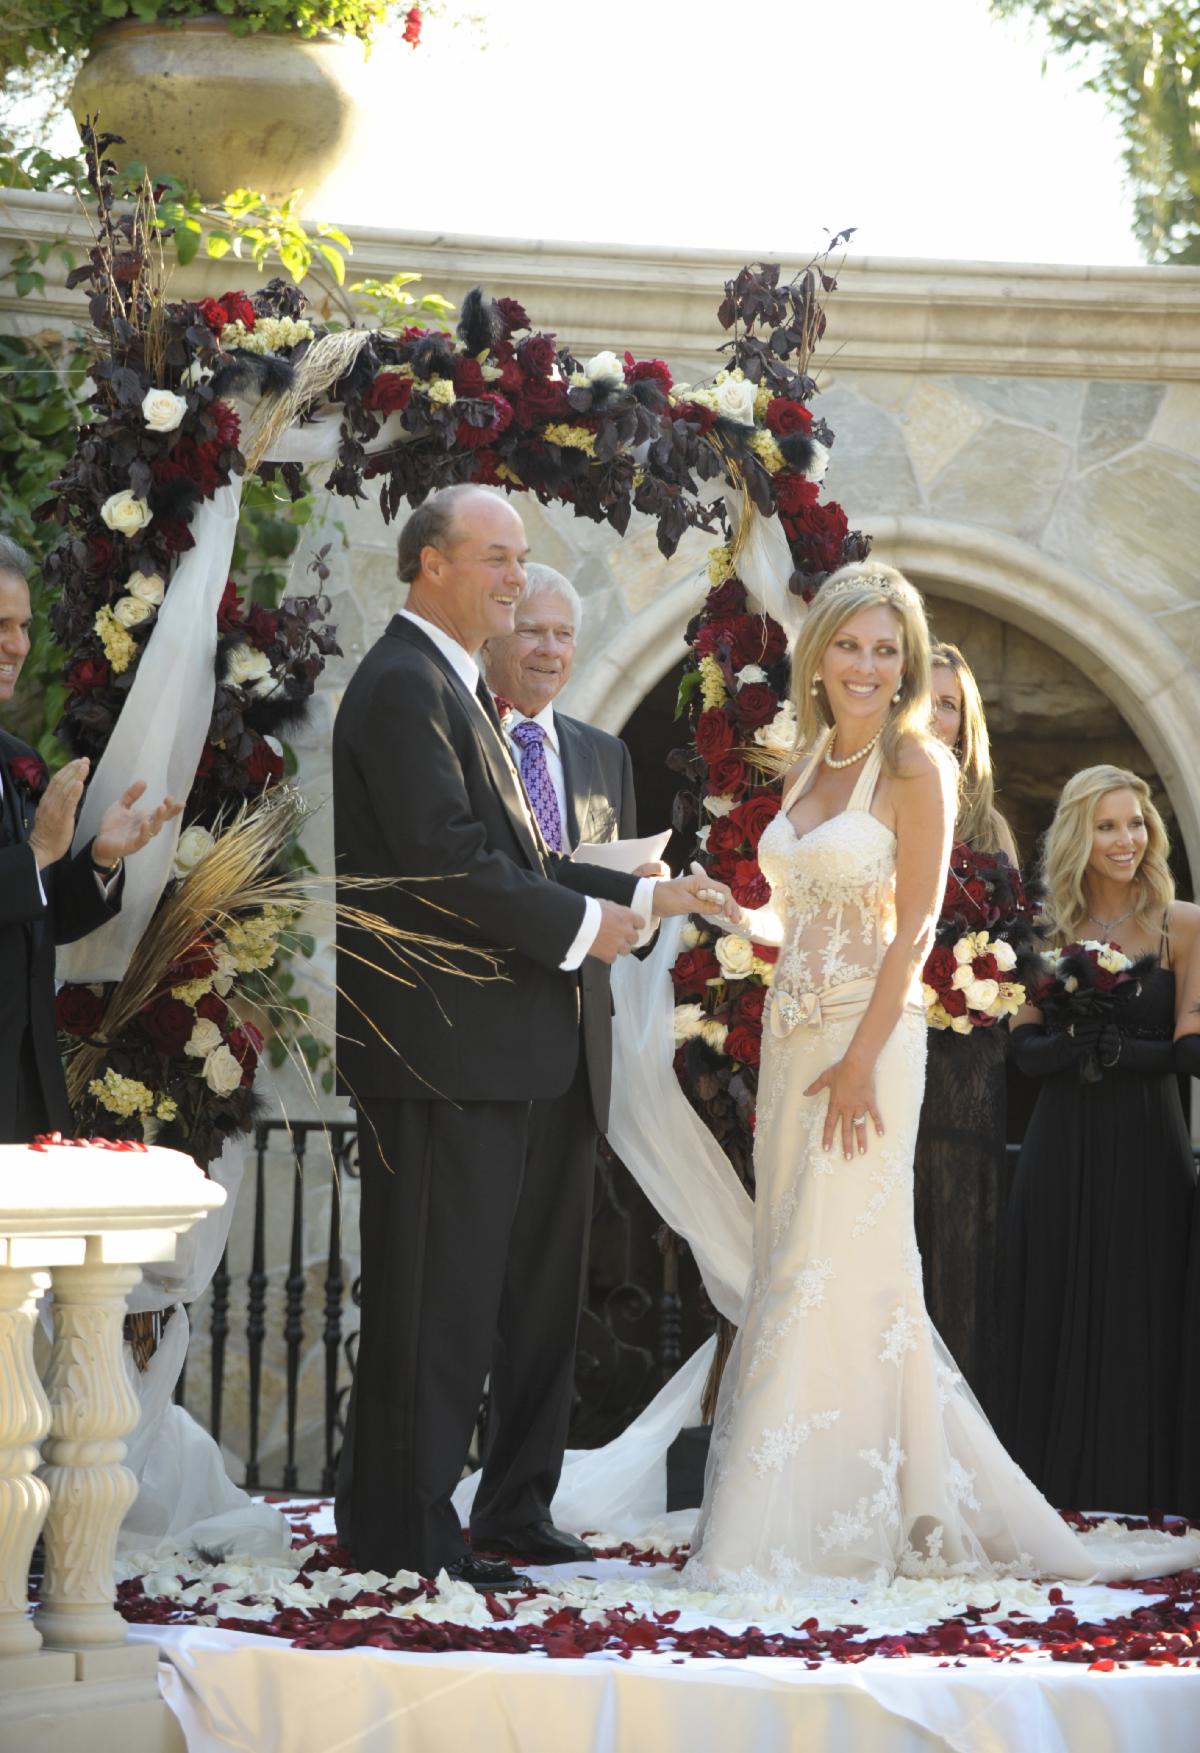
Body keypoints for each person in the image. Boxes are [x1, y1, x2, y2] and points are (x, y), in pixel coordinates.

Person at [682, 566, 1200, 1592]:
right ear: (818, 655)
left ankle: (809, 1521)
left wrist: (861, 1059)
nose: (868, 665)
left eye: (887, 650)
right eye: (851, 645)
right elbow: (803, 912)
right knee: (795, 1255)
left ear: (906, 665)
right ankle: (826, 1495)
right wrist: (732, 914)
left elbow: (913, 927)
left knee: (834, 1258)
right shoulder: (809, 757)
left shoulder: (915, 763)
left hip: (867, 1042)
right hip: (791, 1041)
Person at [332, 485, 737, 1591]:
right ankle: (409, 1536)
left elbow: (517, 858)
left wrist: (643, 900)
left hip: (479, 1052)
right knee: (437, 1306)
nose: (517, 579)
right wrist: (582, 926)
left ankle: (409, 1525)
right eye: (500, 559)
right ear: (432, 564)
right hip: (443, 1051)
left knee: (454, 1302)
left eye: (522, 561)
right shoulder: (405, 685)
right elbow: (448, 862)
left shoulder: (448, 686)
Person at [472, 561, 647, 1564]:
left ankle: (518, 1509)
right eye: (531, 630)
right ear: (498, 636)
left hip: (576, 1053)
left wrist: (652, 898)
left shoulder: (603, 754)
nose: (547, 649)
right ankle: (430, 1495)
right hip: (480, 1052)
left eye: (563, 635)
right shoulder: (463, 737)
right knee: (464, 1293)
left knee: (547, 1298)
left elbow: (612, 894)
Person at [998, 766, 1200, 1515]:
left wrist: (1124, 1049)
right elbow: (1022, 1050)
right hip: (1061, 1142)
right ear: (1079, 835)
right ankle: (1051, 1493)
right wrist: (1072, 1043)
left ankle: (1143, 1489)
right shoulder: (1041, 929)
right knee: (1054, 1291)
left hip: (1151, 1141)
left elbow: (1189, 1049)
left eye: (1136, 824)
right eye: (1108, 825)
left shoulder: (1184, 924)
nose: (1126, 840)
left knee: (1146, 1305)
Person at [0, 537, 182, 1142]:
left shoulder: (15, 758)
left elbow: (35, 918)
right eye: (0, 626)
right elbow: (25, 871)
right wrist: (36, 854)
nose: (18, 646)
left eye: (24, 627)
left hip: (26, 1090)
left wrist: (99, 861)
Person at [913, 641, 1021, 1412]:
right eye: (923, 699)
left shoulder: (991, 828)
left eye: (948, 704)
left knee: (958, 1244)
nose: (935, 715)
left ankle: (957, 1426)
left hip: (963, 1068)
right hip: (882, 1042)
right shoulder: (871, 797)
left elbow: (1015, 957)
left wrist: (972, 986)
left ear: (965, 720)